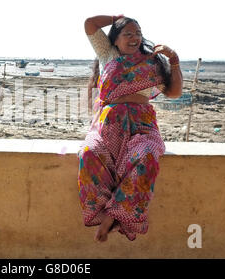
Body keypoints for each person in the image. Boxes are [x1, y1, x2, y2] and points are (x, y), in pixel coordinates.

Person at [78, 14, 183, 242]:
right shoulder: (108, 54)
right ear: (114, 40)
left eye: (137, 33)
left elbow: (174, 93)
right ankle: (103, 211)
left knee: (145, 156)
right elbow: (90, 24)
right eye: (127, 33)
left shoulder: (152, 62)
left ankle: (115, 215)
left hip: (142, 128)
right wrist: (117, 17)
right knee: (89, 154)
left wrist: (173, 59)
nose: (134, 37)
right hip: (107, 128)